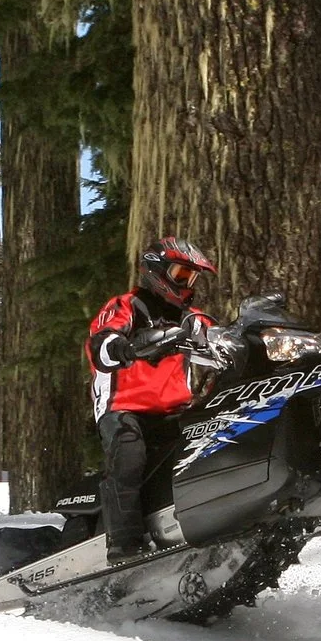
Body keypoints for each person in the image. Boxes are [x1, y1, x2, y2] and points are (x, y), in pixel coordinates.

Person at [87, 238, 219, 563]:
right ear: (157, 271)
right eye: (180, 275)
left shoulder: (190, 317)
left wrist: (232, 341)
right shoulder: (126, 306)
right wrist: (126, 347)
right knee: (129, 456)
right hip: (123, 407)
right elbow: (101, 345)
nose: (186, 284)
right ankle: (124, 547)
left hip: (174, 408)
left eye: (191, 277)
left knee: (211, 442)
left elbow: (216, 341)